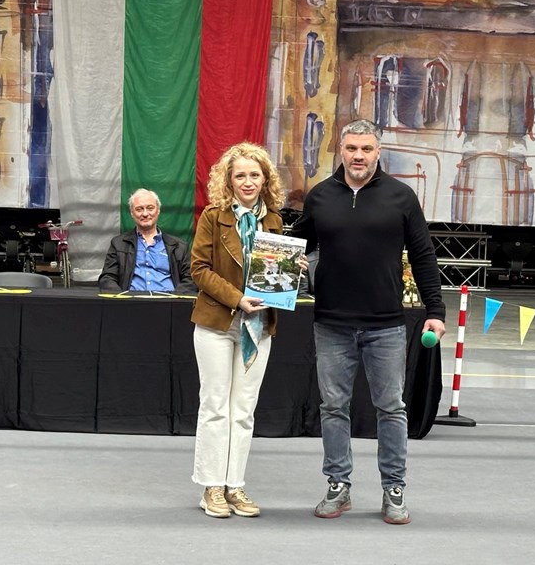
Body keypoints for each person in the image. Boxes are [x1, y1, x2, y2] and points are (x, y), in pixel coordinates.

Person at [293, 119, 446, 525]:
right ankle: (338, 484)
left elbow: (423, 256)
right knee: (333, 407)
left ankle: (394, 488)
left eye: (366, 149)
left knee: (391, 408)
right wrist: (273, 276)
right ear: (340, 150)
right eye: (351, 148)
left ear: (378, 152)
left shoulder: (401, 197)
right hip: (331, 324)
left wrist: (435, 311)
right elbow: (295, 249)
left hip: (386, 326)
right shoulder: (320, 197)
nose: (358, 156)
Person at [190, 142, 298, 518]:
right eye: (240, 175)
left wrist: (290, 272)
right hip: (217, 323)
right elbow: (199, 269)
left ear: (265, 179)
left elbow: (274, 277)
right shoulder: (213, 216)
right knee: (215, 408)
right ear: (229, 180)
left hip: (258, 327)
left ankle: (234, 485)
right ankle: (211, 487)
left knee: (243, 411)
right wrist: (237, 299)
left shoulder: (274, 221)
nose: (248, 181)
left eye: (255, 175)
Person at [98, 188, 195, 294]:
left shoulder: (180, 247)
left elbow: (191, 279)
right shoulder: (118, 244)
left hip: (169, 301)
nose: (145, 214)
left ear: (158, 210)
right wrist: (121, 299)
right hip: (131, 302)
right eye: (139, 209)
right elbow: (107, 278)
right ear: (132, 213)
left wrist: (174, 299)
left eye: (150, 208)